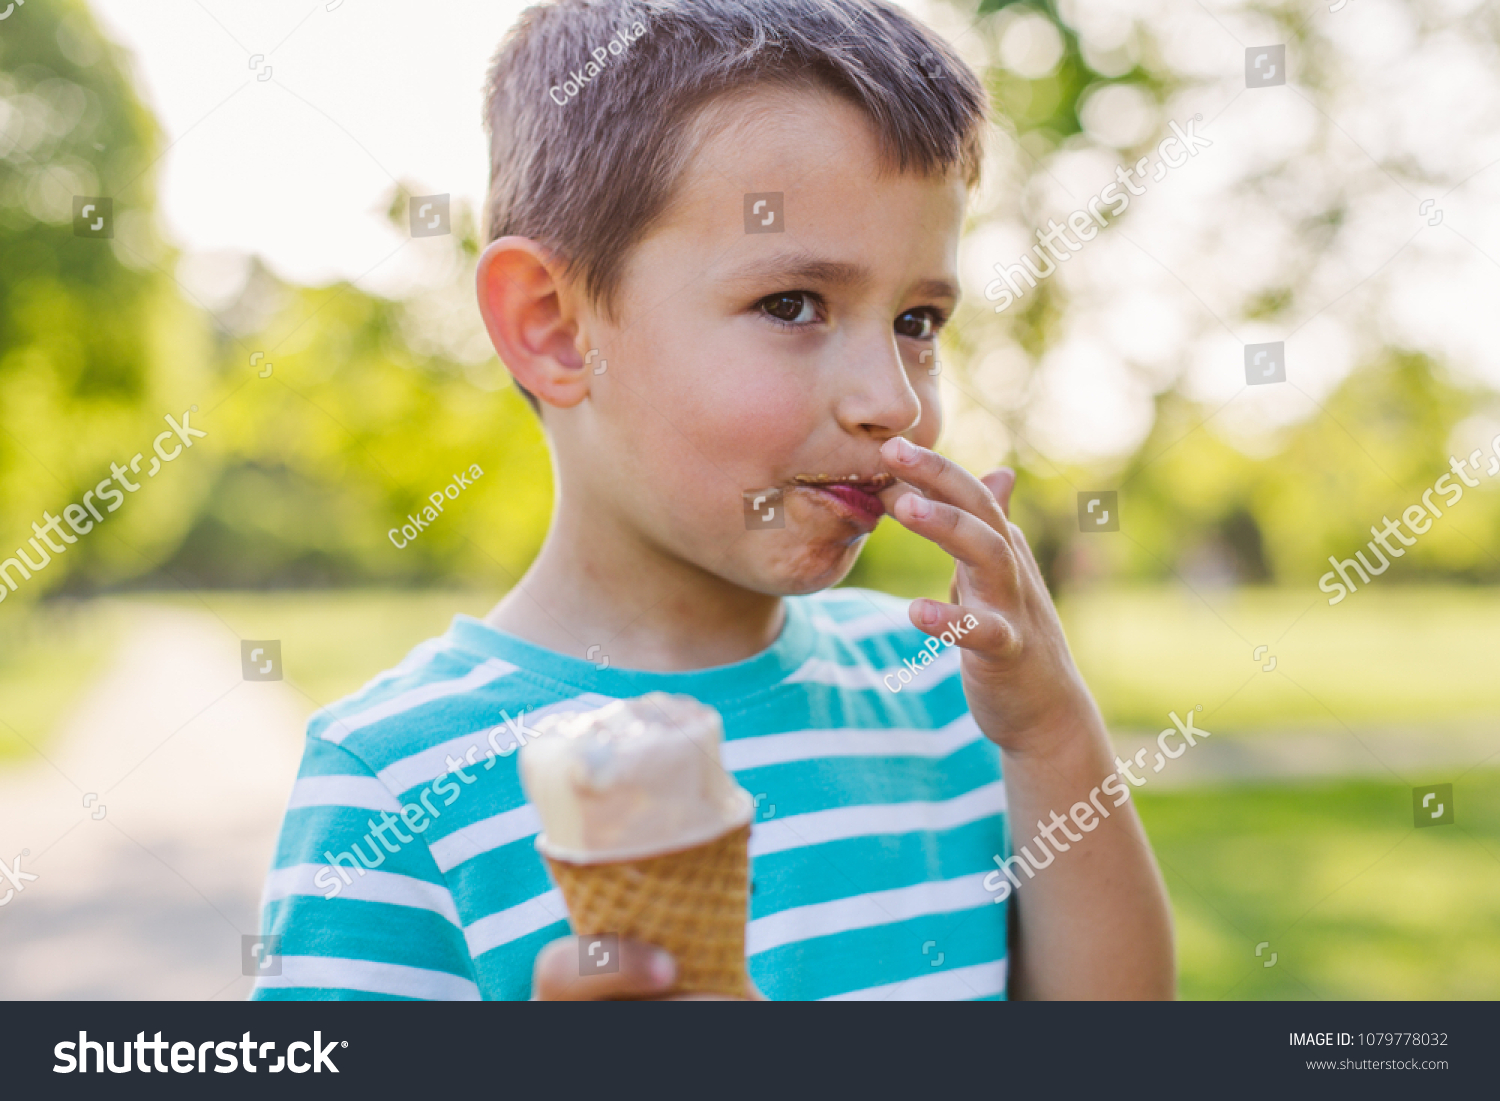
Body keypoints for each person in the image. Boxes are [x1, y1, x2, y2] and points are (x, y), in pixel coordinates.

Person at [252, 0, 1174, 1001]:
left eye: (918, 319)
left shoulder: (951, 702)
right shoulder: (395, 787)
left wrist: (1052, 730)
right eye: (792, 305)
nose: (893, 399)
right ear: (557, 329)